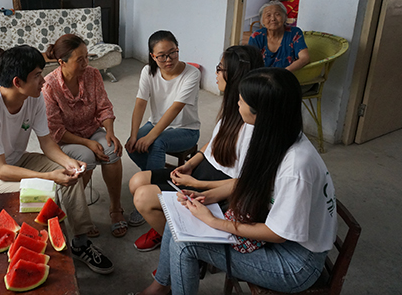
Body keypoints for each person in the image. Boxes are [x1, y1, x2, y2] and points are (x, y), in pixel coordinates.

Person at [135, 67, 337, 295]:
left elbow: (278, 234)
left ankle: (161, 287)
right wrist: (205, 196)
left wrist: (214, 222)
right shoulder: (276, 134)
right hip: (279, 233)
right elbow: (249, 182)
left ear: (260, 112)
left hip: (295, 262)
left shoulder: (296, 166)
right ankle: (160, 286)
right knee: (179, 221)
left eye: (242, 100)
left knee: (185, 245)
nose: (237, 102)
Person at [0, 45, 114, 274]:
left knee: (70, 175)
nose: (44, 81)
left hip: (16, 160)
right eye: (38, 75)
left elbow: (47, 144)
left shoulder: (34, 97)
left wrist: (68, 162)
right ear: (18, 82)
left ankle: (80, 242)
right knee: (48, 187)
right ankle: (39, 249)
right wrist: (48, 176)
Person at [128, 45, 263, 252]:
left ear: (235, 75)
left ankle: (182, 248)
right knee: (136, 181)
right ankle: (167, 226)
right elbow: (215, 141)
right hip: (203, 170)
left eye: (220, 68)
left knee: (143, 197)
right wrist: (191, 164)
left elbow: (246, 182)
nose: (216, 73)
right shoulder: (234, 106)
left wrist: (196, 183)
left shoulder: (251, 120)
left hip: (216, 185)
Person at [42, 34, 127, 238]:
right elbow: (56, 130)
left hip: (91, 129)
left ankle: (115, 208)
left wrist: (110, 132)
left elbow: (104, 107)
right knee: (85, 158)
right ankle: (79, 216)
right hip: (65, 139)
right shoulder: (49, 86)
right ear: (62, 62)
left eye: (87, 57)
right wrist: (87, 143)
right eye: (80, 59)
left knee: (111, 150)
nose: (86, 63)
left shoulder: (93, 75)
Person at [125, 30, 200, 226]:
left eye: (173, 52)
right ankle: (155, 176)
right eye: (162, 56)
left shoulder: (192, 73)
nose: (168, 59)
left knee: (156, 143)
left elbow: (175, 109)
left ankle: (155, 197)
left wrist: (150, 137)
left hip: (187, 130)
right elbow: (140, 103)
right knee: (131, 146)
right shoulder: (148, 71)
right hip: (155, 123)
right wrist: (134, 135)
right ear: (153, 56)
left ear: (178, 49)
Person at [248, 0, 310, 71]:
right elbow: (250, 61)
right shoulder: (256, 36)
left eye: (277, 14)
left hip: (287, 74)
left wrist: (283, 72)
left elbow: (305, 58)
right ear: (262, 21)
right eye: (268, 15)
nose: (273, 19)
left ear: (285, 17)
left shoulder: (294, 33)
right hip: (262, 76)